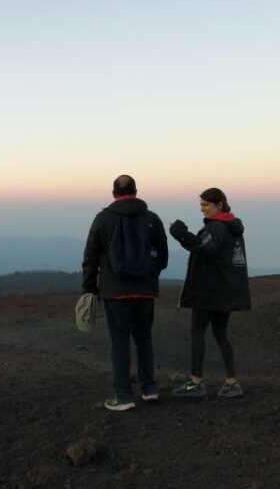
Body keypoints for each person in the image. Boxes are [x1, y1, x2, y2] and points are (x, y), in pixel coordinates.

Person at [82, 175, 169, 411]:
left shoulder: (103, 219)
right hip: (146, 291)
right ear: (136, 191)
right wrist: (148, 274)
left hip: (115, 291)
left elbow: (90, 256)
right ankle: (149, 389)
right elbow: (163, 257)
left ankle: (123, 396)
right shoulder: (152, 219)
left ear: (113, 193)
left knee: (119, 343)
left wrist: (90, 288)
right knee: (144, 338)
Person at [169, 187, 251, 399]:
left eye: (206, 205)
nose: (202, 209)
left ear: (219, 205)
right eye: (201, 205)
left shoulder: (217, 228)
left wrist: (180, 234)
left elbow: (204, 248)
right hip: (227, 290)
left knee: (197, 333)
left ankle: (196, 382)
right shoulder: (233, 228)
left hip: (209, 291)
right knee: (220, 334)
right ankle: (232, 382)